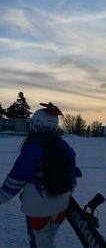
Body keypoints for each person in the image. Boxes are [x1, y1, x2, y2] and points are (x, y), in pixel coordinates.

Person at [0, 102, 77, 248]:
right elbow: (72, 180)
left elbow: (16, 178)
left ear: (36, 125)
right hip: (61, 207)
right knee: (48, 240)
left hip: (38, 208)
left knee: (39, 243)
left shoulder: (33, 148)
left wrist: (2, 196)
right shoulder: (65, 146)